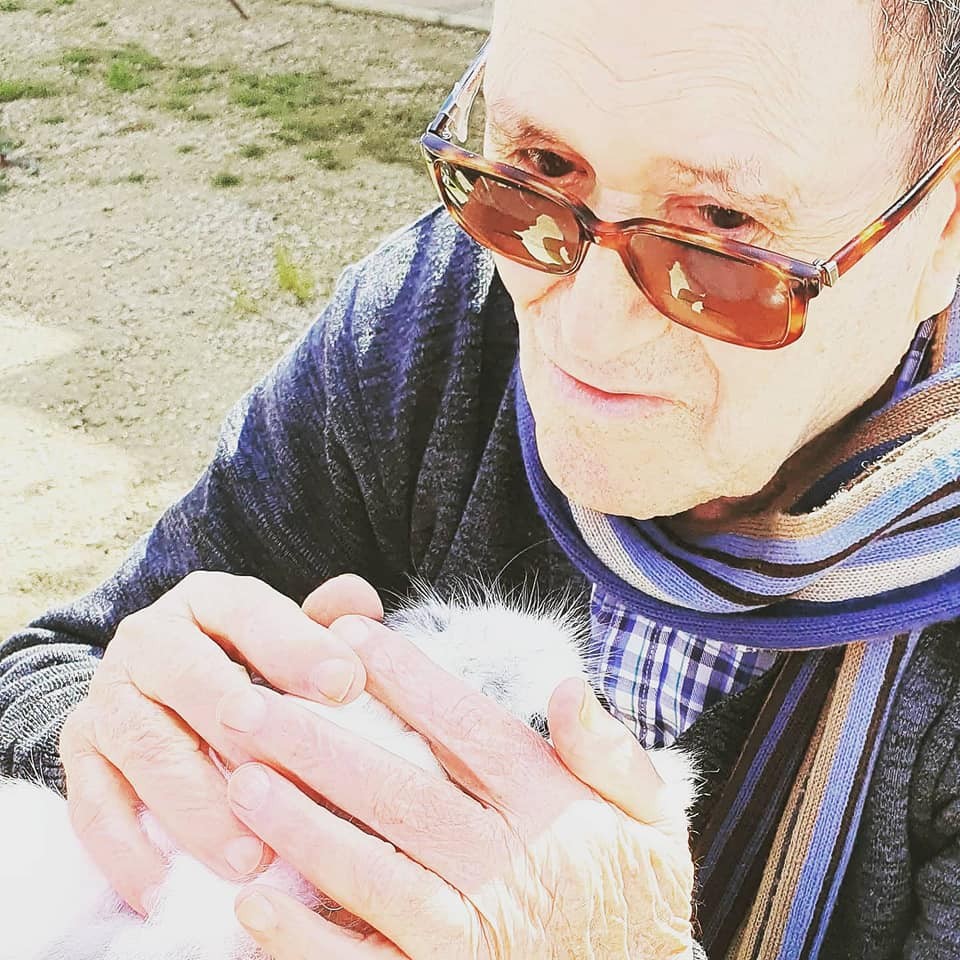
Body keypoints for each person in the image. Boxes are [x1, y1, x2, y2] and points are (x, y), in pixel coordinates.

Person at [3, 0, 960, 956]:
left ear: (944, 228)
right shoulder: (431, 330)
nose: (587, 334)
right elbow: (43, 671)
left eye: (721, 230)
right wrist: (141, 737)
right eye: (536, 169)